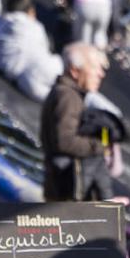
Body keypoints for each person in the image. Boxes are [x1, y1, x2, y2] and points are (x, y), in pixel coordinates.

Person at [40, 43, 114, 201]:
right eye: (95, 68)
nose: (101, 74)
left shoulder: (68, 94)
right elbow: (65, 141)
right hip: (67, 191)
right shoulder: (68, 97)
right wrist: (100, 146)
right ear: (74, 70)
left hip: (62, 190)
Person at [0, 0, 64, 102]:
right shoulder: (35, 27)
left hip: (22, 79)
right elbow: (43, 53)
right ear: (31, 12)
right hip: (34, 71)